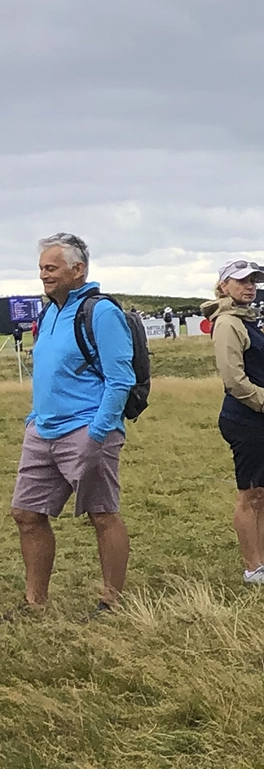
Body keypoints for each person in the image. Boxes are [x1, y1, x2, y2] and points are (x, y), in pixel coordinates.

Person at [8, 233, 134, 619]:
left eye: (52, 267)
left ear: (78, 269)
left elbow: (120, 379)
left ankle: (111, 601)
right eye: (42, 268)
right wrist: (34, 419)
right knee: (26, 514)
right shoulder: (50, 312)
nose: (44, 275)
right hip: (42, 431)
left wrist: (98, 432)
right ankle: (35, 602)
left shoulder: (101, 312)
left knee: (102, 514)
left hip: (85, 430)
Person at [204, 260, 264, 585]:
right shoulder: (228, 323)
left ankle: (262, 563)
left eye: (253, 281)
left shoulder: (246, 320)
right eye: (241, 281)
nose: (249, 286)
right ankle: (253, 567)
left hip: (263, 422)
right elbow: (233, 379)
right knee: (250, 494)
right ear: (224, 286)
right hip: (247, 419)